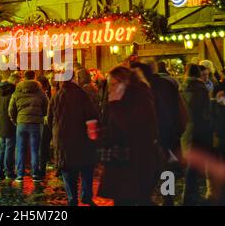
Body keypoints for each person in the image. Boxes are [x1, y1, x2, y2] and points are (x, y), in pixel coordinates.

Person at [98, 66, 162, 206]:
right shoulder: (121, 97)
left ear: (125, 82)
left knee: (135, 199)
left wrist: (115, 105)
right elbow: (114, 129)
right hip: (121, 160)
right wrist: (100, 135)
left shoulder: (140, 96)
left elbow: (133, 128)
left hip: (135, 161)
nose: (111, 88)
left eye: (115, 84)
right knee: (125, 199)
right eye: (111, 84)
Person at [131, 61, 185, 205]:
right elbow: (179, 108)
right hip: (170, 135)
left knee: (152, 175)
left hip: (158, 137)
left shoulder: (145, 90)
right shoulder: (168, 84)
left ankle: (151, 199)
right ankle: (168, 200)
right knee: (168, 172)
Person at [48, 70, 99, 206]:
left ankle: (72, 199)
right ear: (74, 79)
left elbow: (49, 119)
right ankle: (86, 196)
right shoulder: (82, 94)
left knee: (68, 170)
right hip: (81, 138)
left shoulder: (56, 96)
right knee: (86, 167)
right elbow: (91, 115)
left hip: (63, 139)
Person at [180, 63, 213, 205]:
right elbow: (205, 112)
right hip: (198, 129)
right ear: (198, 74)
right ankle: (189, 196)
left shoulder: (182, 88)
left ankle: (188, 194)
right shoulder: (200, 89)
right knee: (193, 165)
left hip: (187, 128)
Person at [9, 70, 48, 182]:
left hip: (21, 122)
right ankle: (35, 174)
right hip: (35, 123)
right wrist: (42, 115)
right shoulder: (40, 92)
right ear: (34, 77)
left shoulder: (17, 91)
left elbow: (11, 108)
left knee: (20, 149)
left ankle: (20, 174)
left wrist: (15, 120)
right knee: (35, 149)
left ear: (24, 78)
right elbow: (46, 105)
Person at [0, 74, 19, 180]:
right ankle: (9, 172)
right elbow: (14, 110)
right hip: (10, 124)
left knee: (2, 148)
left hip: (1, 124)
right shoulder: (12, 94)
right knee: (9, 148)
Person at [37, 74, 52, 177]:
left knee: (43, 143)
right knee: (44, 142)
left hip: (44, 120)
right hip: (46, 120)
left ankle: (43, 164)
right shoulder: (45, 93)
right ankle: (44, 162)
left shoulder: (43, 93)